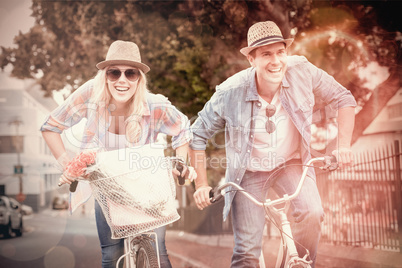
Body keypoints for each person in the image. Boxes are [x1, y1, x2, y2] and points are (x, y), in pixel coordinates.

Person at [190, 21, 356, 267]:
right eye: (266, 54)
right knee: (246, 251)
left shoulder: (302, 71)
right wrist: (201, 185)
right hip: (248, 172)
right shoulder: (230, 92)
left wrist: (343, 146)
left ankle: (299, 261)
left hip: (291, 162)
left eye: (280, 52)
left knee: (312, 213)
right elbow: (197, 134)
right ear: (252, 60)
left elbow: (344, 97)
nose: (276, 61)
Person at [41, 40, 196, 268]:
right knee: (111, 256)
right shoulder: (89, 96)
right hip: (108, 186)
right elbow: (50, 127)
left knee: (158, 252)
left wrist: (181, 164)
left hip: (148, 186)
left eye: (130, 73)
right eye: (114, 73)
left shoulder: (154, 105)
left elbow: (183, 127)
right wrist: (69, 166)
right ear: (105, 76)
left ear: (139, 79)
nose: (122, 80)